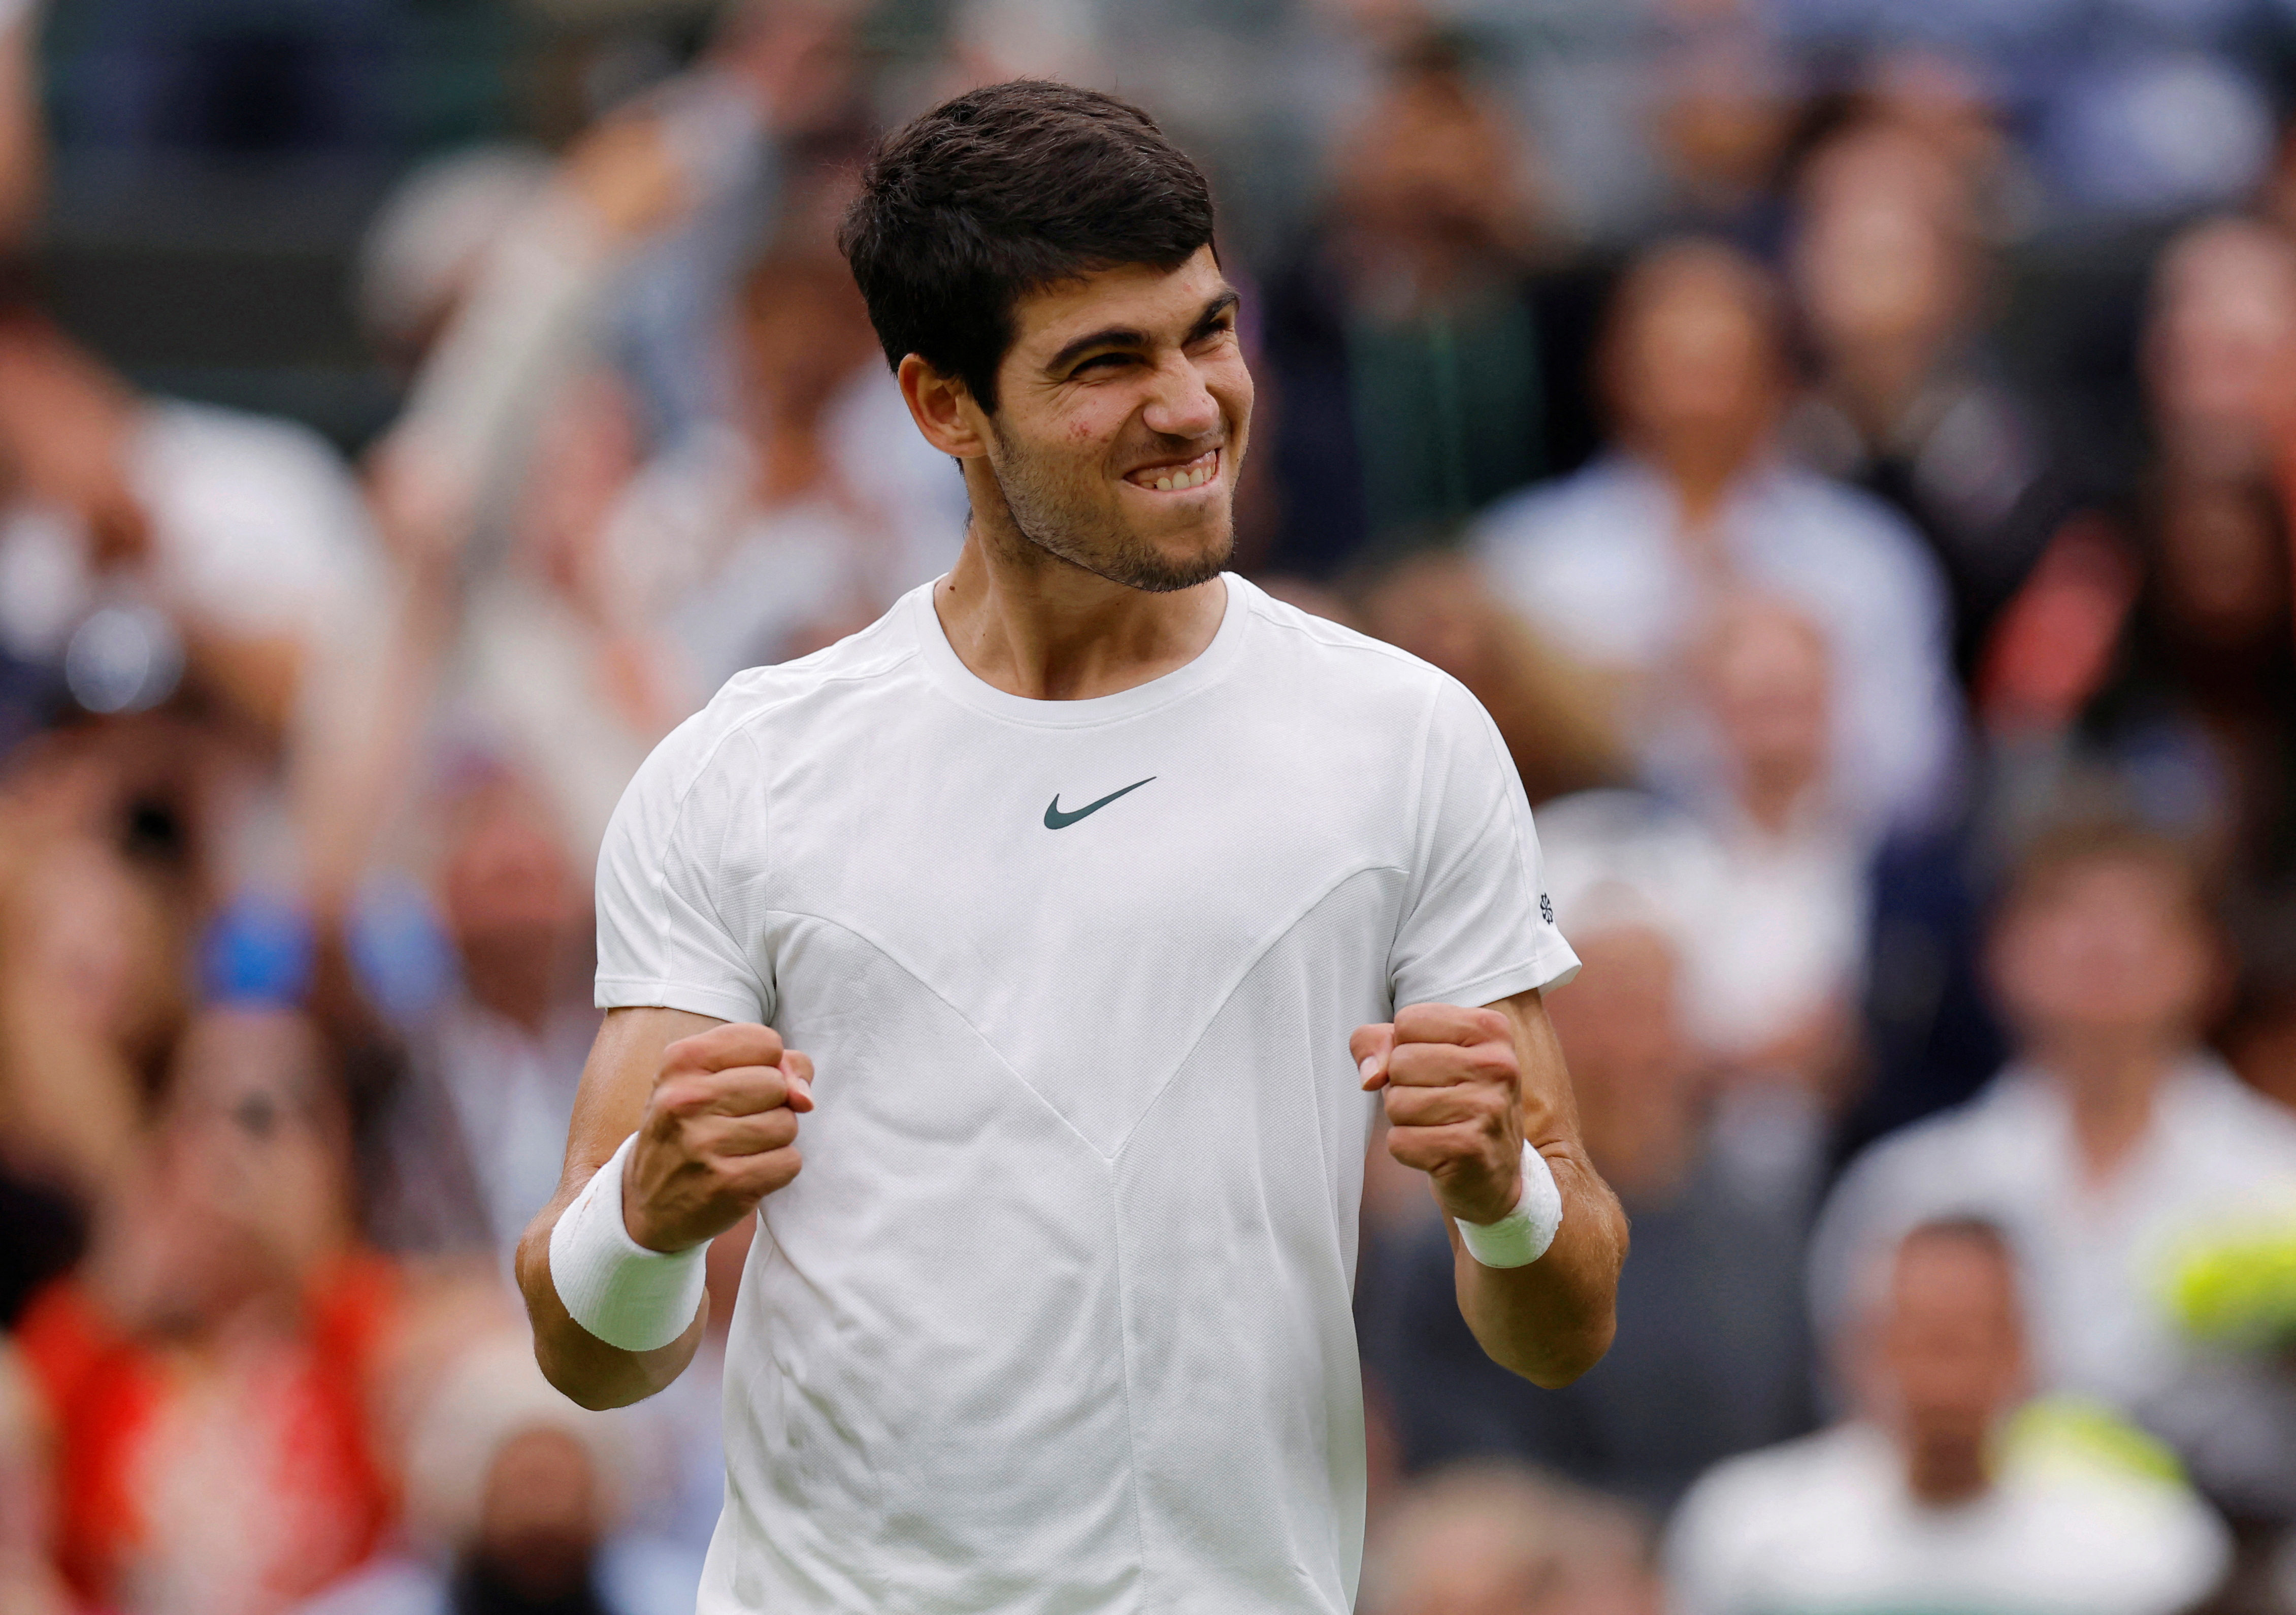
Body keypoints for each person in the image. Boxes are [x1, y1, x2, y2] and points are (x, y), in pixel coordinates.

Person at [517, 79, 1626, 1615]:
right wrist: (648, 1216)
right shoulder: (744, 770)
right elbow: (589, 1352)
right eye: (1106, 363)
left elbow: (1563, 1325)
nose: (1191, 406)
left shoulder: (1409, 739)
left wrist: (1502, 1188)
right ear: (941, 407)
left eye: (1207, 333)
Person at [1809, 823, 2296, 1518]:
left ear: (2211, 962)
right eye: (2068, 915)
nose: (2105, 946)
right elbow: (1854, 1416)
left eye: (2143, 920)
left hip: (2241, 1544)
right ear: (1998, 956)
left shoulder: (2280, 1177)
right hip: (1970, 1549)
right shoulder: (1907, 1187)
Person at [1471, 238, 1959, 835]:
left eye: (1725, 367)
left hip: (1822, 869)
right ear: (1614, 375)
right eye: (1673, 366)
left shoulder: (1865, 558)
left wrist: (1783, 735)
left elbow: (1916, 774)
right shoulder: (1527, 559)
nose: (1698, 399)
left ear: (1779, 379)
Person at [1374, 871, 1810, 1516]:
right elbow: (1459, 1463)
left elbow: (1802, 1447)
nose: (1623, 1051)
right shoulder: (1458, 1235)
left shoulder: (1763, 1233)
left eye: (1646, 1012)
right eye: (1594, 1016)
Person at [1671, 1218, 2231, 1615]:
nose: (1944, 1378)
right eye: (1919, 1338)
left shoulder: (2153, 1545)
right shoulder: (1742, 1530)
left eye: (1970, 1340)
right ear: (1857, 1351)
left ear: (2025, 1353)